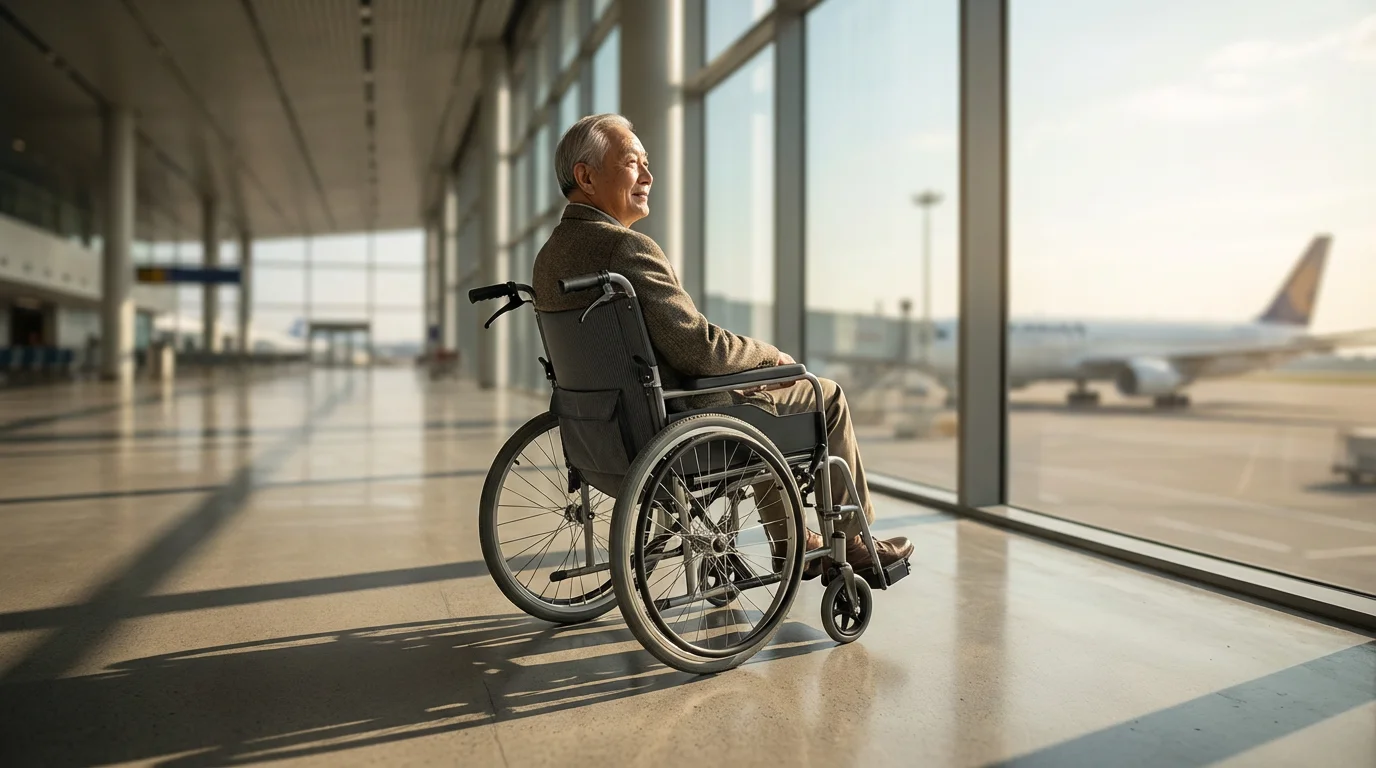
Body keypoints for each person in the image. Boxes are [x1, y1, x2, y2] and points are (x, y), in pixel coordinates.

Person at [531, 113, 914, 577]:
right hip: (676, 423)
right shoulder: (626, 249)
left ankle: (793, 540)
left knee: (761, 406)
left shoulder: (549, 256)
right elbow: (701, 350)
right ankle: (851, 541)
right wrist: (769, 355)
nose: (649, 177)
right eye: (633, 163)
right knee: (821, 394)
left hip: (601, 431)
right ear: (586, 177)